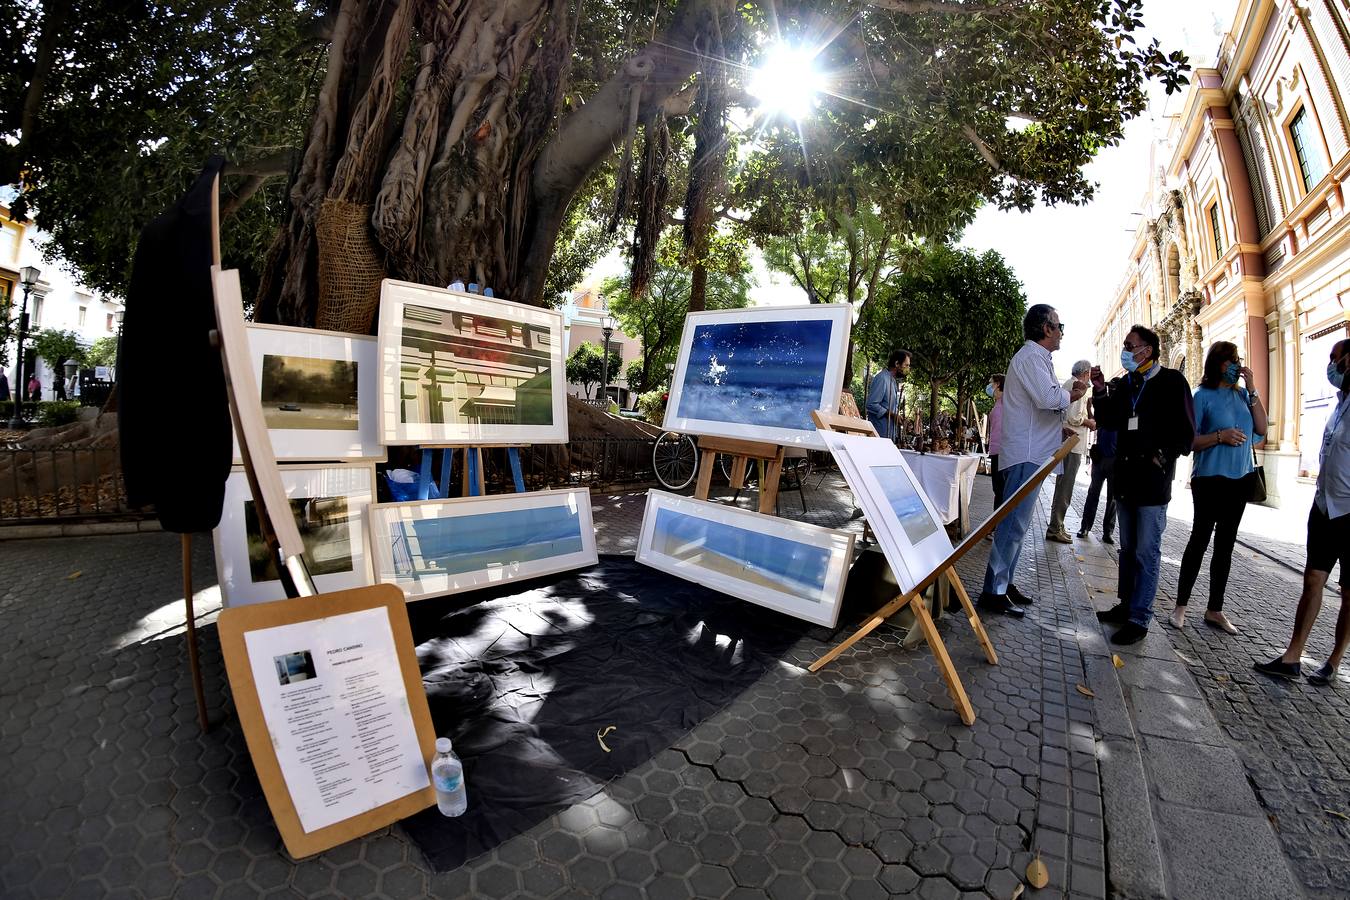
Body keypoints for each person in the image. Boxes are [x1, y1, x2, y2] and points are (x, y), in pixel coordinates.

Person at [977, 305, 1086, 617]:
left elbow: (1041, 407)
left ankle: (1004, 583)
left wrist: (1058, 425)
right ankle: (993, 591)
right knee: (1012, 525)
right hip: (1025, 454)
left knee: (1019, 526)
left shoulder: (1038, 359)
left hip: (1032, 452)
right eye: (1059, 324)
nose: (1062, 331)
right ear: (1046, 328)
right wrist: (1073, 395)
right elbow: (1048, 398)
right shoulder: (1030, 357)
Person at [1090, 325, 1196, 644]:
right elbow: (1109, 421)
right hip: (1125, 482)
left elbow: (1186, 432)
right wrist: (1098, 390)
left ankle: (1140, 617)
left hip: (1152, 486)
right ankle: (1126, 605)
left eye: (1129, 345)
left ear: (1146, 350)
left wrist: (1161, 456)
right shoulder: (1125, 383)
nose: (1125, 349)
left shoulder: (1172, 381)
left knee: (1147, 553)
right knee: (1128, 549)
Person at [1255, 338, 1350, 684]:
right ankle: (1293, 656)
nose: (1332, 365)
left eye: (1336, 359)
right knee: (1313, 579)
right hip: (1325, 506)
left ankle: (1334, 661)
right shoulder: (1339, 406)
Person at [1169, 341, 1268, 633]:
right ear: (1217, 364)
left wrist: (1253, 390)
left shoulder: (1243, 396)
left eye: (1238, 359)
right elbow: (1189, 442)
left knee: (1225, 546)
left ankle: (1215, 610)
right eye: (1230, 361)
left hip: (1241, 479)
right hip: (1210, 479)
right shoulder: (1202, 396)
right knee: (1199, 540)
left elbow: (1261, 429)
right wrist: (1219, 436)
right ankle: (1180, 607)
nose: (1236, 365)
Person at [1046, 360, 1094, 543]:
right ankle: (1055, 526)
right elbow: (1073, 417)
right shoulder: (1078, 387)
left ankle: (1057, 524)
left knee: (1063, 486)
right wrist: (1088, 421)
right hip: (1072, 444)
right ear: (1086, 372)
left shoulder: (1071, 384)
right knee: (1065, 487)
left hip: (1069, 443)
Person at [1077, 424, 1117, 544]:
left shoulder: (1125, 410)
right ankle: (1085, 527)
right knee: (1093, 493)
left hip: (1116, 459)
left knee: (1113, 498)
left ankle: (1108, 532)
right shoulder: (1104, 409)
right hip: (1100, 457)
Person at [866, 350, 911, 441]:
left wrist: (897, 417)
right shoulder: (882, 378)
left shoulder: (893, 381)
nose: (908, 368)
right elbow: (871, 404)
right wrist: (891, 414)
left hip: (889, 434)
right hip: (879, 435)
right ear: (897, 363)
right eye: (906, 365)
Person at [986, 374, 1006, 508]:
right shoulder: (999, 402)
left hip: (1001, 451)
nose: (989, 386)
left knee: (1000, 490)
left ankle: (998, 524)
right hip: (996, 450)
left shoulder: (1007, 401)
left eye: (990, 382)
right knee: (998, 489)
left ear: (998, 384)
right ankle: (996, 523)